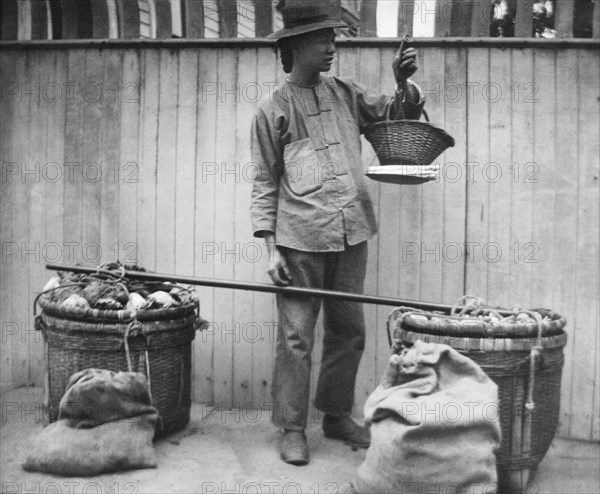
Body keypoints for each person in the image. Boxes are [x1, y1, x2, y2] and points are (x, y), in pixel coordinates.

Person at [250, 0, 424, 466]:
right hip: (298, 240)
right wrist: (270, 249)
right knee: (296, 339)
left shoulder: (346, 93)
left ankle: (335, 416)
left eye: (333, 37)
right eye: (322, 38)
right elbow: (265, 181)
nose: (331, 46)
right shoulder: (272, 110)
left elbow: (394, 118)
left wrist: (401, 82)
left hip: (352, 233)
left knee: (348, 330)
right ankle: (291, 427)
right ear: (295, 44)